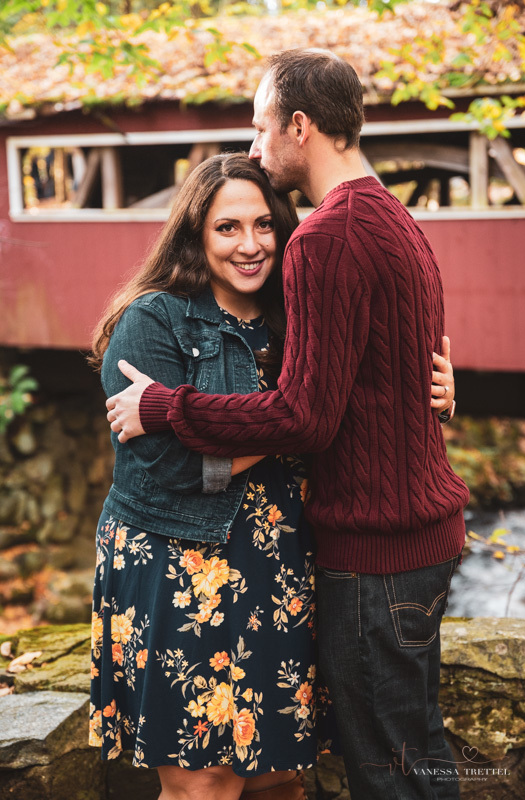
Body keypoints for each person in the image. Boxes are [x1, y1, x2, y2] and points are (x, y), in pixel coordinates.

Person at [105, 49, 467, 800]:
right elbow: (384, 363)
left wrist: (166, 409)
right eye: (225, 226)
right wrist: (428, 393)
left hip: (373, 550)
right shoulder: (395, 218)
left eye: (261, 127)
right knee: (411, 757)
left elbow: (306, 416)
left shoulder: (325, 238)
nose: (253, 145)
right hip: (404, 540)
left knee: (390, 774)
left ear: (299, 125)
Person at [89, 154, 322, 800]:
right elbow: (168, 465)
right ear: (194, 233)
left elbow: (344, 410)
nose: (249, 246)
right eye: (227, 228)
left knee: (277, 775)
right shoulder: (152, 321)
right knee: (204, 782)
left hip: (275, 568)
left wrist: (432, 393)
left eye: (263, 226)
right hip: (177, 566)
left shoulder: (296, 321)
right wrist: (293, 424)